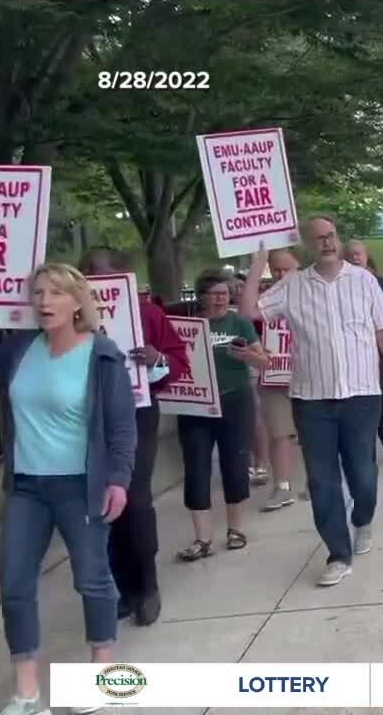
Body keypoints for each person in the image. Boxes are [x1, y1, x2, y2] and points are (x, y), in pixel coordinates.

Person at [0, 263, 135, 715]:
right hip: (26, 486)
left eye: (55, 293)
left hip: (80, 487)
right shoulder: (22, 347)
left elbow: (122, 429)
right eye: (38, 293)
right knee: (15, 586)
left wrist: (118, 480)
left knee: (92, 579)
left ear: (77, 301)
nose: (44, 302)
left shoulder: (101, 354)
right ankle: (27, 694)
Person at [241, 217, 383, 587]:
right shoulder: (292, 286)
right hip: (311, 400)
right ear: (308, 246)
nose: (327, 243)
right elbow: (250, 311)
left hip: (361, 395)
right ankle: (337, 553)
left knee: (362, 474)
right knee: (322, 480)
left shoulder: (364, 282)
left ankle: (362, 519)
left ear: (338, 239)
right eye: (319, 239)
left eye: (331, 236)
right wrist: (258, 259)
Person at [78, 247, 189, 627]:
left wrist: (157, 361)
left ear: (123, 277)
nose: (94, 278)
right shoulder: (66, 313)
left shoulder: (147, 313)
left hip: (137, 412)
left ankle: (147, 587)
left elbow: (178, 362)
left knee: (134, 497)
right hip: (86, 419)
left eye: (102, 272)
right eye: (87, 272)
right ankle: (123, 588)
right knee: (100, 503)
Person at [176, 270, 268, 562]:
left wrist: (247, 357)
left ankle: (235, 529)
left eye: (224, 294)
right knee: (196, 469)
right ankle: (202, 538)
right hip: (196, 405)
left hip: (234, 399)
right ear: (202, 295)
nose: (219, 299)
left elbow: (264, 360)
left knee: (235, 463)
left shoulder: (239, 322)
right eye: (214, 293)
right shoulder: (189, 324)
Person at [255, 249, 310, 508]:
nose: (280, 274)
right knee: (279, 434)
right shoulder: (264, 301)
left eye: (285, 269)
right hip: (274, 378)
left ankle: (316, 481)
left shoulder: (312, 295)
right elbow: (249, 325)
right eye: (275, 269)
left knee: (312, 433)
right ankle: (282, 486)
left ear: (298, 266)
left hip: (308, 377)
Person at [344, 240, 383, 455]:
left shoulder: (377, 283)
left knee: (377, 396)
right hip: (348, 354)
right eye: (350, 255)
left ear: (367, 256)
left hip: (376, 352)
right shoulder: (337, 286)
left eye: (358, 254)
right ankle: (363, 446)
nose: (355, 258)